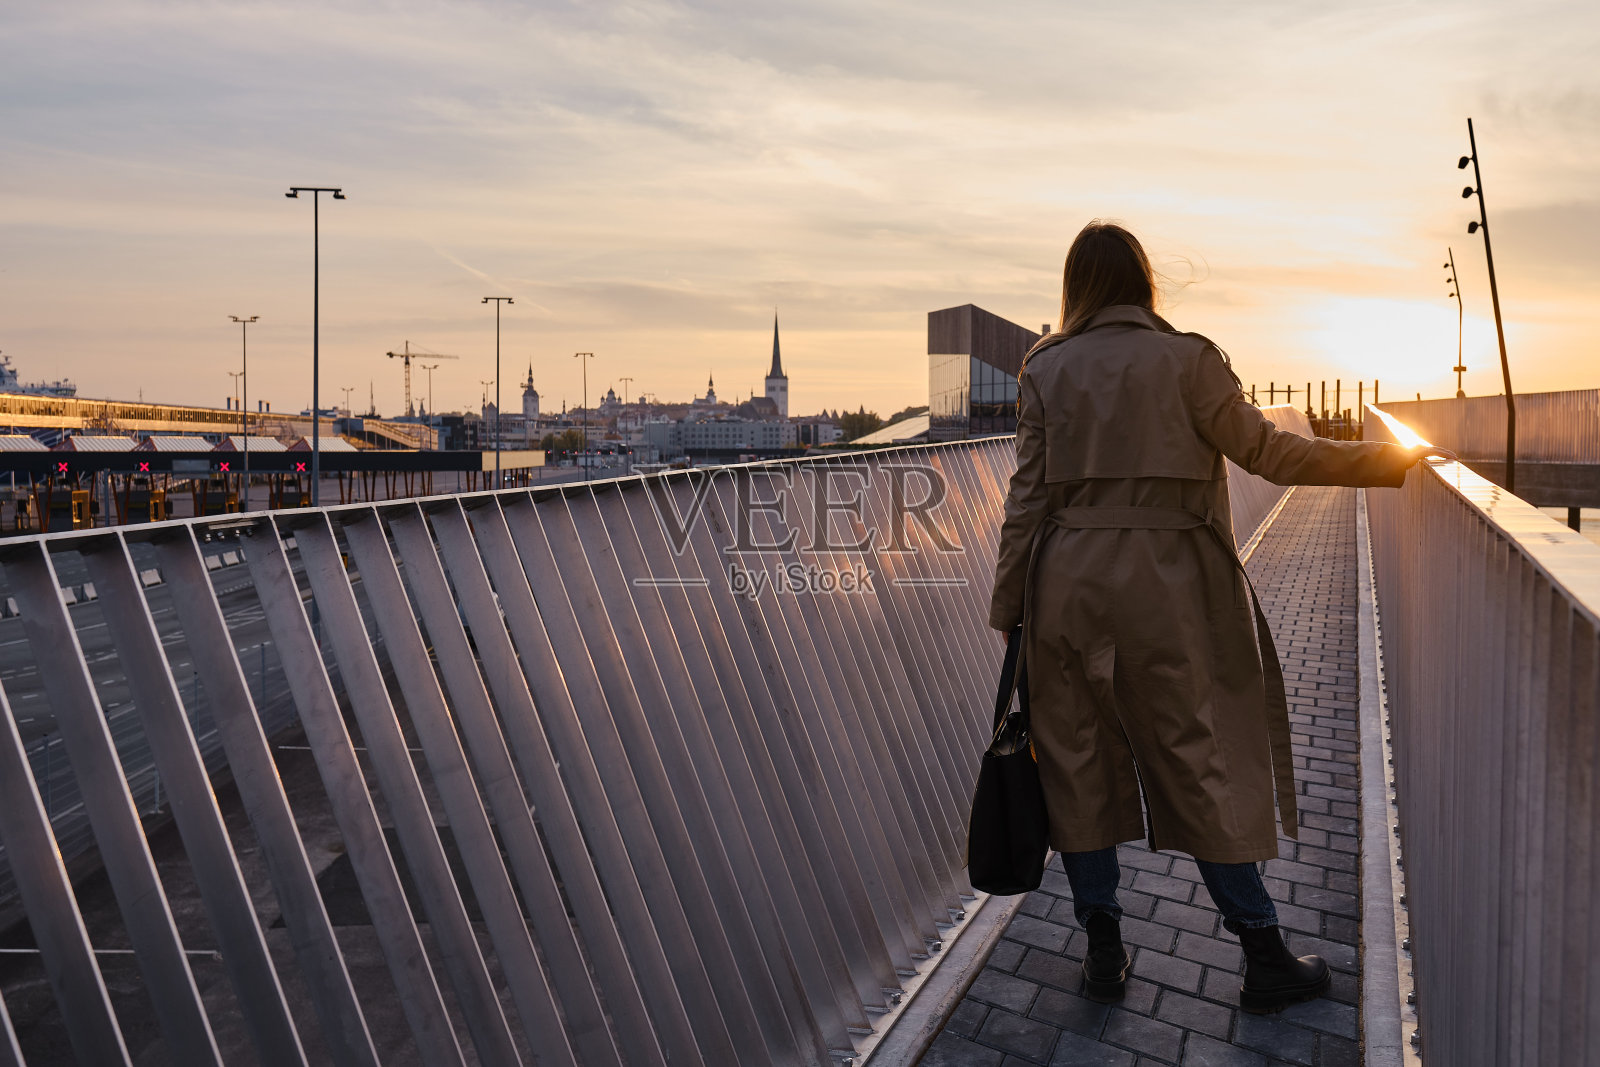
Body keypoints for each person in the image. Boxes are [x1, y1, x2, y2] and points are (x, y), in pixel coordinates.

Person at [988, 221, 1448, 1013]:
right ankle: (1261, 950)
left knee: (1077, 765)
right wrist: (1387, 458)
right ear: (1143, 282)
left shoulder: (1046, 369)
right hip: (1167, 593)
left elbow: (1027, 500)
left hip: (1065, 588)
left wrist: (1010, 608)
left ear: (1077, 287)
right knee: (1195, 760)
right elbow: (1273, 454)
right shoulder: (1188, 360)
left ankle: (1103, 948)